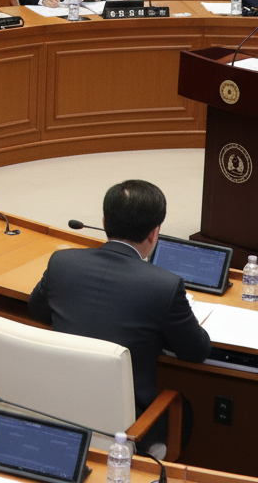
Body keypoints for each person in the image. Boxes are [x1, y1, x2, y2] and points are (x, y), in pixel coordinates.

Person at [28, 180, 210, 451]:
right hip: (128, 428)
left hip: (59, 408)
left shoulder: (62, 263)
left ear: (104, 221)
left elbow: (36, 309)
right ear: (154, 233)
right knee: (186, 410)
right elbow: (196, 351)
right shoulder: (164, 286)